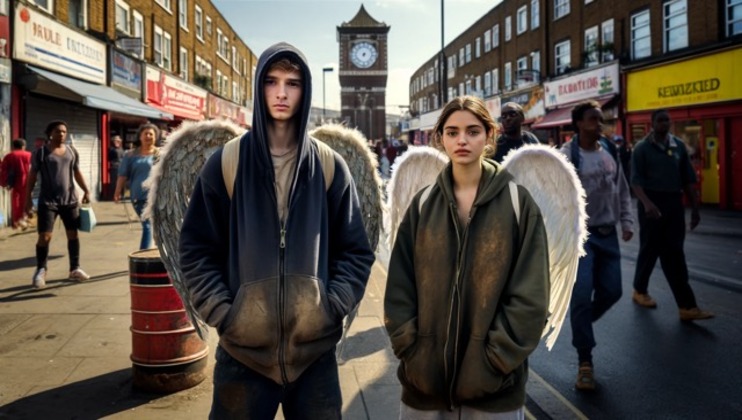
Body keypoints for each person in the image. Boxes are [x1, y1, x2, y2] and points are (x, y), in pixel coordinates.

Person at [179, 42, 374, 419]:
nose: (282, 93)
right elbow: (196, 248)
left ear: (306, 90)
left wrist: (332, 306)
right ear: (258, 87)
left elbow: (356, 250)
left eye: (293, 82)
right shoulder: (226, 162)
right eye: (271, 81)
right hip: (243, 357)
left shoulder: (330, 166)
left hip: (314, 358)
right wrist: (225, 313)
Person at [384, 96, 549, 418]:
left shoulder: (518, 203)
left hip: (494, 391)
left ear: (490, 135)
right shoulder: (422, 204)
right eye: (452, 131)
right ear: (440, 138)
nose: (462, 140)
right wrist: (412, 350)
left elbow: (532, 296)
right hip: (425, 386)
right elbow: (400, 285)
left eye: (473, 131)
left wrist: (495, 361)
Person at [560, 100, 634, 391]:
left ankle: (581, 323)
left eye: (600, 119)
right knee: (581, 295)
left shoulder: (611, 151)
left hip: (608, 234)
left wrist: (627, 221)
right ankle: (585, 361)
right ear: (579, 123)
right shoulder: (567, 156)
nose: (598, 124)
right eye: (592, 119)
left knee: (613, 291)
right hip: (580, 238)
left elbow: (623, 189)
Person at [630, 109, 713, 321]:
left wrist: (694, 208)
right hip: (651, 202)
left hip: (673, 203)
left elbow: (687, 180)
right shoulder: (642, 149)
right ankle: (640, 290)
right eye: (660, 120)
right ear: (652, 123)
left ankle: (687, 306)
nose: (665, 123)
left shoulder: (678, 146)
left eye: (667, 120)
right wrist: (647, 204)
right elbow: (636, 182)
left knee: (675, 252)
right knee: (650, 248)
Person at [25, 120, 91, 289]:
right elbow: (32, 175)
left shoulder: (71, 151)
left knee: (73, 235)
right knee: (44, 237)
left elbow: (76, 172)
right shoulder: (40, 153)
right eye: (57, 131)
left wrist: (86, 190)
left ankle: (74, 269)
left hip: (70, 201)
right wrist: (27, 198)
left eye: (63, 131)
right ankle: (41, 270)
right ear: (50, 133)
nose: (61, 134)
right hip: (48, 201)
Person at [114, 124, 159, 250]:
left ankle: (157, 254)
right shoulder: (130, 155)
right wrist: (118, 191)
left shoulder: (160, 154)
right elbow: (122, 175)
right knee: (148, 225)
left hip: (158, 197)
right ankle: (143, 258)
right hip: (138, 196)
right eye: (146, 133)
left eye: (151, 134)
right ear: (140, 136)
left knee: (156, 227)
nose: (148, 136)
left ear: (155, 137)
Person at [1, 138, 32, 229]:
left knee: (16, 202)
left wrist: (4, 183)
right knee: (26, 201)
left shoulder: (9, 156)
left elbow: (3, 170)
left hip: (14, 183)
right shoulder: (29, 155)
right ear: (23, 146)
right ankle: (25, 219)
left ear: (13, 146)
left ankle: (17, 222)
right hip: (28, 181)